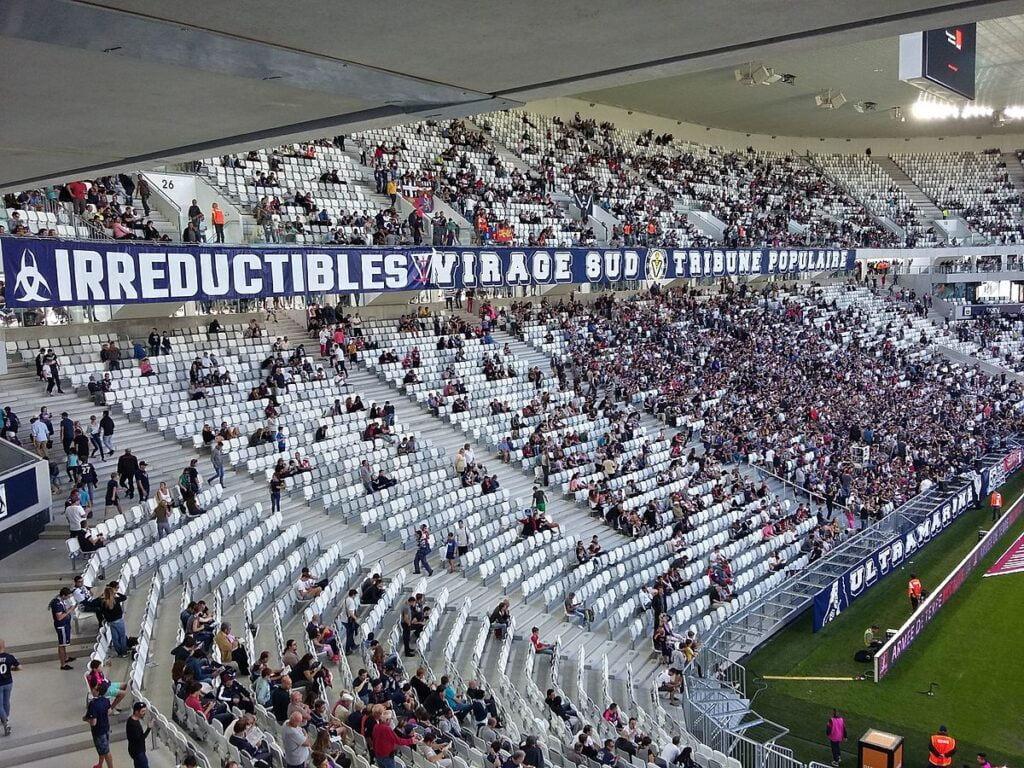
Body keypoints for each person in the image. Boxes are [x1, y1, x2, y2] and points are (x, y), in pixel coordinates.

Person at [86, 681, 114, 768]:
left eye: (94, 689)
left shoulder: (93, 704)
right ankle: (100, 764)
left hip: (98, 732)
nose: (92, 690)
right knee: (102, 749)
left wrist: (87, 720)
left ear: (97, 692)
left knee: (105, 751)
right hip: (106, 727)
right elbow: (109, 711)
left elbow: (93, 722)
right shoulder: (106, 700)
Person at [48, 587, 76, 670]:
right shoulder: (57, 604)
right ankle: (63, 664)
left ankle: (65, 657)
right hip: (61, 626)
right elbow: (59, 617)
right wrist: (70, 610)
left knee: (64, 644)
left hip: (65, 624)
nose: (68, 598)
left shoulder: (61, 600)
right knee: (62, 645)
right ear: (63, 595)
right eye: (67, 596)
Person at [0, 639, 20, 736]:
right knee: (6, 701)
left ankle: (5, 723)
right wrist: (13, 669)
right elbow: (19, 667)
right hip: (8, 682)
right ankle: (5, 718)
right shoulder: (9, 657)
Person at [126, 701, 152, 768]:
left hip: (134, 750)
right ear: (137, 712)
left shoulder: (130, 719)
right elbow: (140, 738)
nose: (144, 713)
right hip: (138, 751)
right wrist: (149, 728)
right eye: (142, 711)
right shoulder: (133, 725)